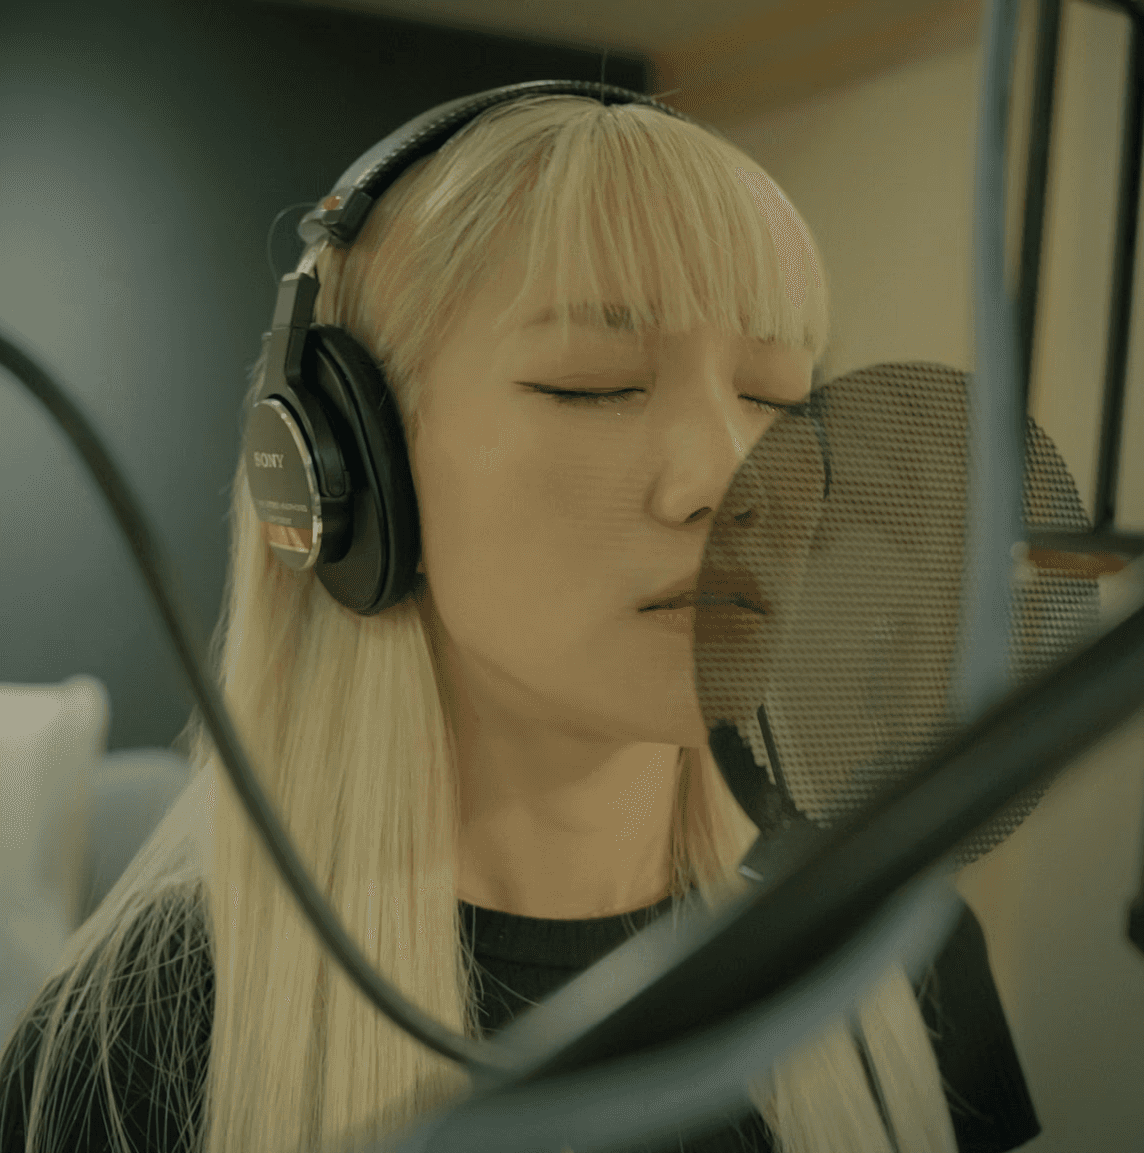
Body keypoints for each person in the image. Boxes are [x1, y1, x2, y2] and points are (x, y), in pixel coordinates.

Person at [0, 92, 1040, 1153]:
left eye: (774, 396)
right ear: (350, 472)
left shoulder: (897, 968)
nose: (733, 477)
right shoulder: (136, 1040)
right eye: (596, 386)